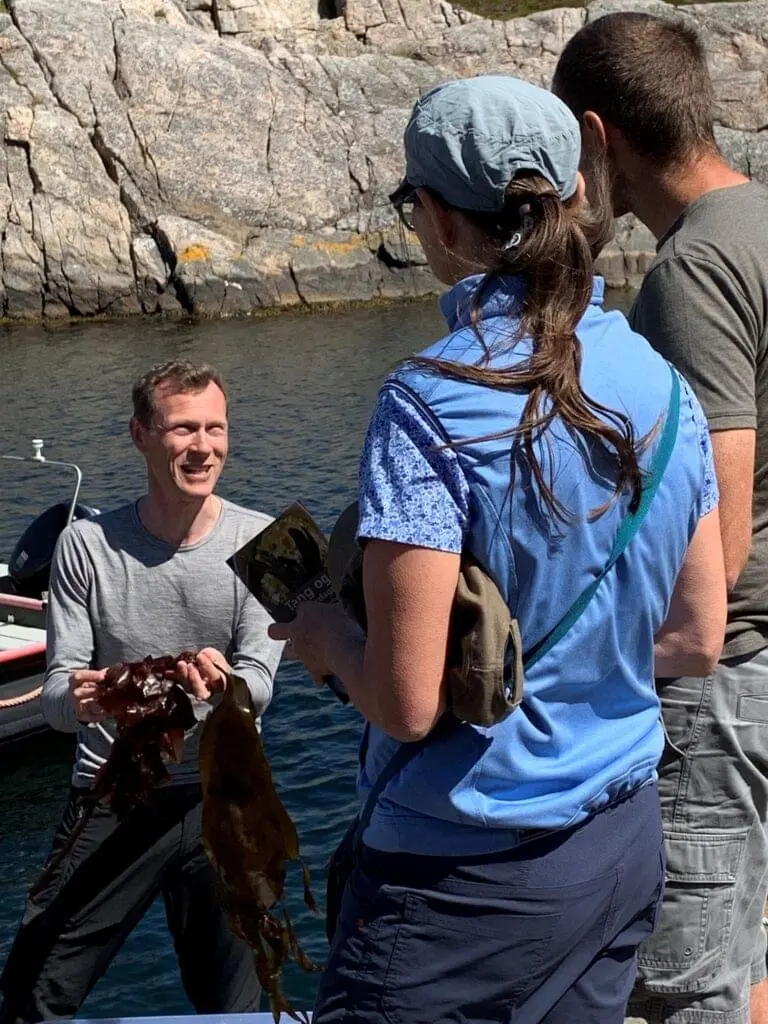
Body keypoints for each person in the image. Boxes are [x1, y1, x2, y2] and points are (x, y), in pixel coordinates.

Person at [269, 75, 727, 1024]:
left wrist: (322, 636)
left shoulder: (425, 403)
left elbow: (405, 705)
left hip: (461, 882)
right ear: (575, 193)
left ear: (437, 219)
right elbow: (696, 637)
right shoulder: (666, 384)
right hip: (621, 840)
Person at [553, 15, 768, 1023]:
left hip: (725, 683)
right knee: (748, 957)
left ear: (599, 136)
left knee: (682, 987)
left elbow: (713, 538)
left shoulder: (695, 271)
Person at [0, 360, 284, 1023]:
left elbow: (261, 682)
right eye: (183, 428)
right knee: (31, 993)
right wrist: (83, 700)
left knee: (239, 1007)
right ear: (140, 435)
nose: (203, 447)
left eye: (216, 428)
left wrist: (226, 686)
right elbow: (57, 697)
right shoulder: (85, 546)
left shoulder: (265, 538)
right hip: (112, 793)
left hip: (223, 798)